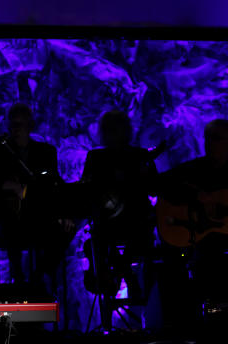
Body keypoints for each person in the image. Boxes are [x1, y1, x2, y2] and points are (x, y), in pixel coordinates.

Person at [151, 119, 228, 331]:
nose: (208, 143)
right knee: (199, 258)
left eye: (215, 138)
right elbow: (157, 184)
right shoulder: (194, 169)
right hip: (203, 242)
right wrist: (196, 195)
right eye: (207, 138)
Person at [80, 110, 160, 325]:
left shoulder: (140, 155)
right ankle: (129, 278)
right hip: (108, 223)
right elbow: (86, 190)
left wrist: (143, 176)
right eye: (110, 129)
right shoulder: (96, 157)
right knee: (100, 237)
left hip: (137, 221)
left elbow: (154, 189)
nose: (114, 134)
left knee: (137, 230)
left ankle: (123, 278)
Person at [0, 103, 69, 285]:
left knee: (65, 230)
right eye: (13, 125)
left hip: (39, 216)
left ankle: (39, 275)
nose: (16, 130)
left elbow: (52, 184)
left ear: (30, 126)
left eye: (21, 125)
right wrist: (6, 185)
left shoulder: (46, 152)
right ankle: (18, 279)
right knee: (11, 223)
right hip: (9, 218)